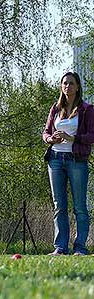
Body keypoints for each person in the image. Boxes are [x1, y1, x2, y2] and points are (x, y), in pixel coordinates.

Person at [43, 71, 94, 256]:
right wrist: (51, 140)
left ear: (77, 86)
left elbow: (91, 136)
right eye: (64, 83)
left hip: (76, 161)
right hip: (55, 160)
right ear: (61, 86)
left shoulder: (87, 109)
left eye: (71, 83)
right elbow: (46, 133)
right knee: (59, 206)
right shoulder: (55, 108)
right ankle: (60, 248)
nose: (67, 86)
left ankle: (80, 247)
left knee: (80, 207)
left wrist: (71, 138)